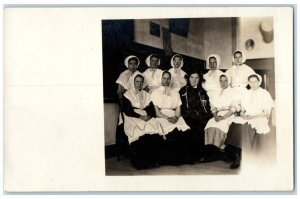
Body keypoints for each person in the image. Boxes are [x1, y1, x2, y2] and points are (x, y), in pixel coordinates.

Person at [224, 73, 274, 169]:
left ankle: (247, 157)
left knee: (246, 127)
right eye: (251, 82)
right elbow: (242, 108)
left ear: (259, 82)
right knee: (235, 124)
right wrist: (242, 114)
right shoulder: (246, 93)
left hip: (259, 116)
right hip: (247, 116)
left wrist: (252, 117)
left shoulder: (264, 93)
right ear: (248, 83)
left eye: (255, 82)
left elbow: (267, 112)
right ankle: (237, 156)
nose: (253, 84)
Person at [121, 74, 164, 169]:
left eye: (141, 82)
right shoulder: (127, 94)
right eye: (137, 81)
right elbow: (127, 110)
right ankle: (139, 163)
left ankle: (152, 160)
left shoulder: (147, 94)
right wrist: (140, 117)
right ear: (133, 82)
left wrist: (148, 116)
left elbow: (151, 109)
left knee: (154, 124)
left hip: (145, 115)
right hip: (132, 116)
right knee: (138, 131)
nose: (139, 84)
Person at [151, 71, 194, 165]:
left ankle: (185, 158)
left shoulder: (175, 93)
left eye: (168, 78)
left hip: (174, 115)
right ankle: (173, 159)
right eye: (164, 78)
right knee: (172, 132)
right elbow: (157, 112)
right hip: (162, 116)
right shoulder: (155, 93)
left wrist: (176, 117)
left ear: (170, 80)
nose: (166, 81)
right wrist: (168, 118)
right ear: (161, 79)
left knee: (184, 131)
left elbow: (178, 108)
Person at [203, 74, 241, 162]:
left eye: (225, 81)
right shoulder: (216, 92)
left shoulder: (233, 92)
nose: (223, 83)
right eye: (221, 81)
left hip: (229, 115)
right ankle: (212, 152)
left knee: (221, 125)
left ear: (229, 81)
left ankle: (220, 152)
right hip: (218, 114)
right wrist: (215, 116)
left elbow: (234, 109)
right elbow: (213, 107)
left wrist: (223, 117)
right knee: (210, 124)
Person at [179, 71, 212, 160]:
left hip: (201, 117)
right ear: (188, 79)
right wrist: (191, 114)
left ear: (199, 79)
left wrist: (202, 115)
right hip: (187, 116)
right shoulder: (183, 91)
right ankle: (191, 156)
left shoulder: (202, 92)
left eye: (196, 78)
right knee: (192, 127)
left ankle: (199, 154)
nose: (194, 80)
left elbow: (206, 106)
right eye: (192, 77)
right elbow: (180, 106)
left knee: (201, 127)